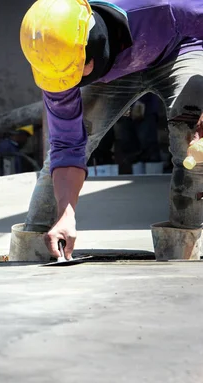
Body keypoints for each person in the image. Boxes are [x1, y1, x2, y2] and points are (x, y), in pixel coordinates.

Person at [15, 0, 203, 261]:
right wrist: (65, 213)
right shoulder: (57, 61)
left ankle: (186, 244)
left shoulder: (162, 6)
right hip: (113, 74)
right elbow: (67, 146)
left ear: (94, 43)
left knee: (192, 135)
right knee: (71, 143)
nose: (70, 82)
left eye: (75, 73)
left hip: (179, 49)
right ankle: (38, 245)